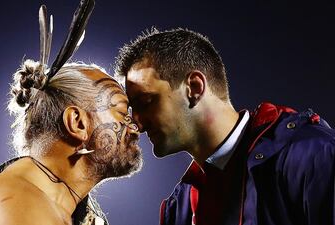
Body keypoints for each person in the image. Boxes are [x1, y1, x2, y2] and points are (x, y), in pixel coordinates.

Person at [0, 1, 142, 225]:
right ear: (77, 123)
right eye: (122, 112)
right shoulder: (11, 205)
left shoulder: (57, 204)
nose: (135, 125)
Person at [115, 28, 335, 225]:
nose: (138, 123)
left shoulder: (310, 155)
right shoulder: (178, 208)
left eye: (145, 102)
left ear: (194, 87)